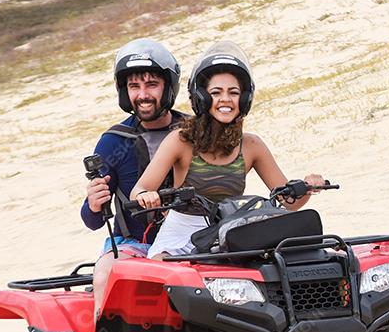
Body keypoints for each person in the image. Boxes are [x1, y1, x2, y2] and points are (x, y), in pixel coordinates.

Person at [131, 40, 324, 258]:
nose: (225, 99)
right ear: (202, 97)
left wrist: (306, 186)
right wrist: (147, 195)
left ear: (244, 98)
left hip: (230, 229)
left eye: (233, 92)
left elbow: (288, 203)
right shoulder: (180, 140)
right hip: (181, 235)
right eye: (216, 92)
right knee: (163, 274)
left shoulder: (252, 146)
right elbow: (139, 190)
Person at [82, 38, 189, 314]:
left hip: (192, 240)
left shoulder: (193, 131)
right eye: (134, 86)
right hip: (133, 246)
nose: (143, 94)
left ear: (168, 86)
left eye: (151, 84)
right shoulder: (113, 141)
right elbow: (92, 220)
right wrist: (94, 202)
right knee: (105, 271)